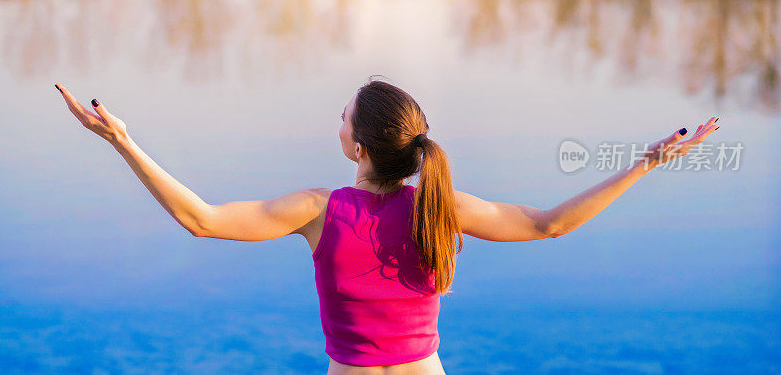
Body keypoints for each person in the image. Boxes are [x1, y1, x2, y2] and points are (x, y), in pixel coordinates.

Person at [54, 77, 719, 374]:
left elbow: (199, 219)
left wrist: (121, 140)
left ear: (359, 145)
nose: (336, 122)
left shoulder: (319, 210)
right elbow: (550, 224)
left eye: (343, 116)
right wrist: (648, 163)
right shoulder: (441, 203)